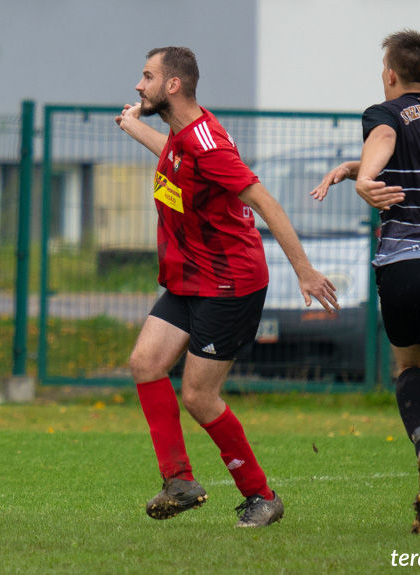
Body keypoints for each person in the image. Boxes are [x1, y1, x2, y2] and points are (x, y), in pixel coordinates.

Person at [115, 46, 339, 528]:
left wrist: (303, 270)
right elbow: (179, 160)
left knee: (198, 395)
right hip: (192, 277)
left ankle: (261, 495)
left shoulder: (207, 142)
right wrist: (135, 128)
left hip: (228, 283)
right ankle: (178, 480)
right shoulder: (183, 134)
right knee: (146, 363)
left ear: (173, 85)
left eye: (148, 76)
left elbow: (265, 201)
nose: (139, 85)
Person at [311, 30, 420, 534]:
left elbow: (386, 139)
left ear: (390, 74)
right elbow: (417, 159)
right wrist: (354, 167)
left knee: (409, 364)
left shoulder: (382, 112)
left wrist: (364, 178)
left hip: (406, 264)